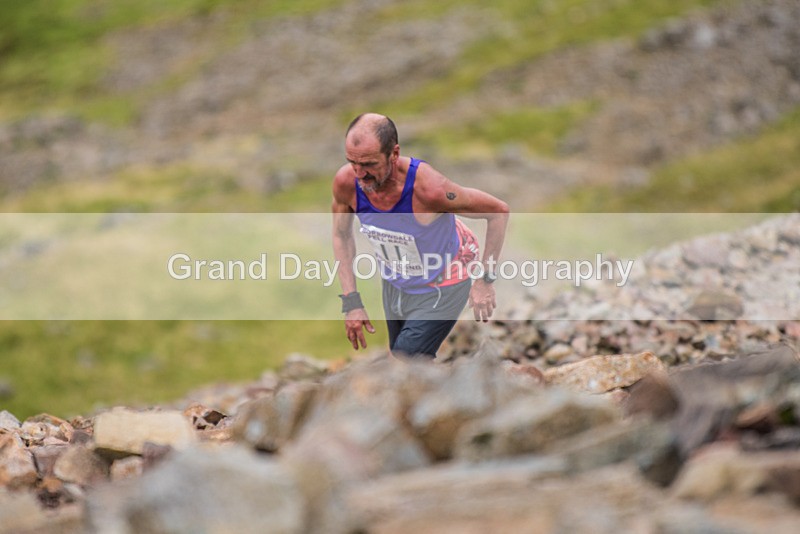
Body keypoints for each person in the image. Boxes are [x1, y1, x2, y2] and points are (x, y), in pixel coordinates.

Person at [331, 113, 509, 358]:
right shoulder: (346, 183)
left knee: (405, 362)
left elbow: (498, 211)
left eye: (370, 165)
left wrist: (485, 281)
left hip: (444, 282)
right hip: (396, 282)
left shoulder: (430, 189)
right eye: (353, 162)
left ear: (394, 154)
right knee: (405, 363)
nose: (360, 174)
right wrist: (352, 302)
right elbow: (341, 235)